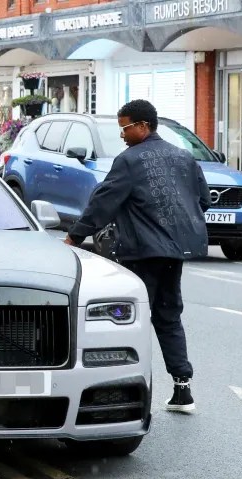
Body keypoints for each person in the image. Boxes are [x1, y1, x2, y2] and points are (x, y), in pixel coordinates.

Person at [65, 99, 210, 414]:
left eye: (125, 128)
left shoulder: (129, 161)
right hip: (175, 250)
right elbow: (203, 200)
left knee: (132, 320)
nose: (122, 135)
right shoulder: (184, 157)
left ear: (143, 126)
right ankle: (182, 389)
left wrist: (75, 236)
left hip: (141, 253)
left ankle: (128, 391)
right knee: (169, 315)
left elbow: (104, 201)